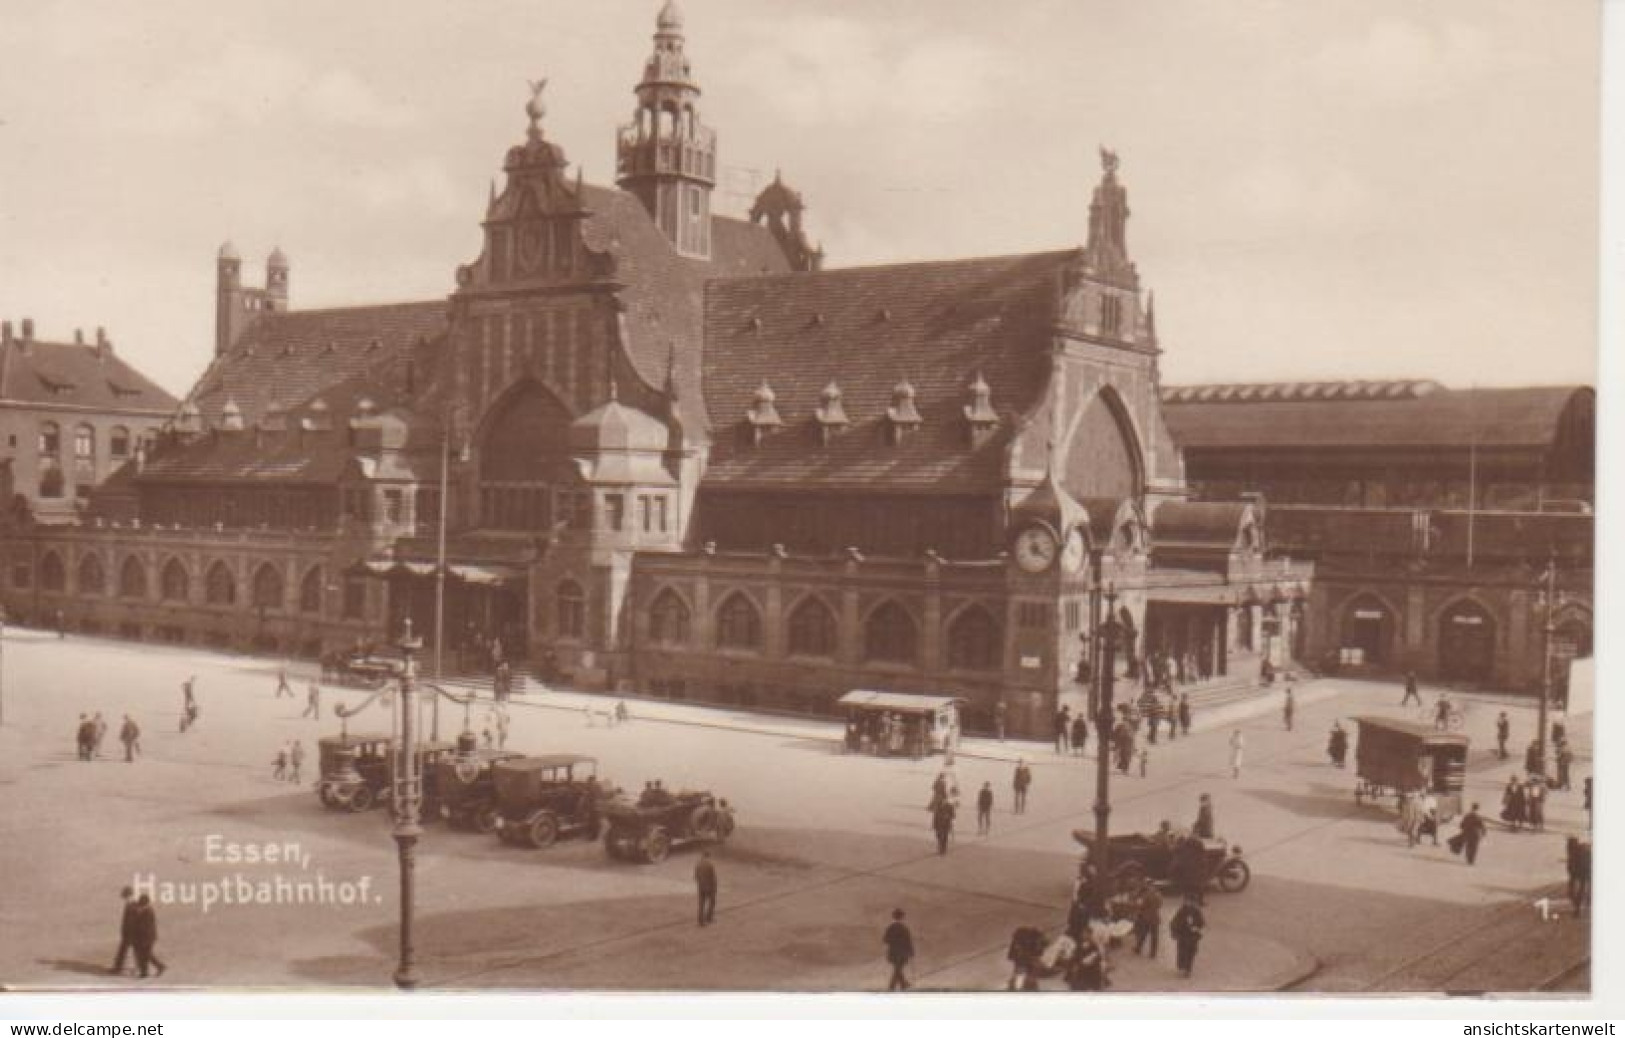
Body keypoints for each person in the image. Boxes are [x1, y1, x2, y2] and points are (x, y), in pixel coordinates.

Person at [1169, 893, 1206, 978]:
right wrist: (1174, 932)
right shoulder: (1182, 910)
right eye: (1187, 901)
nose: (1188, 903)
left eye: (1190, 901)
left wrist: (1196, 927)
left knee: (1191, 953)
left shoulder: (1197, 911)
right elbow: (1175, 921)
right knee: (1182, 952)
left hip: (1192, 937)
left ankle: (1188, 970)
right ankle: (1182, 967)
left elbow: (1202, 923)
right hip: (1183, 936)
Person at [130, 893, 165, 978]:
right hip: (147, 937)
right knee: (146, 954)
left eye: (141, 905)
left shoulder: (148, 912)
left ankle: (146, 972)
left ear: (144, 904)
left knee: (145, 955)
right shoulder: (146, 910)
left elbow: (145, 927)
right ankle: (158, 967)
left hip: (147, 938)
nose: (139, 907)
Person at [883, 909, 914, 991]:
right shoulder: (904, 928)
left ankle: (900, 984)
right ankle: (898, 985)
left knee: (897, 968)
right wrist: (911, 952)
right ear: (902, 917)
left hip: (893, 952)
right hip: (902, 952)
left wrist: (893, 943)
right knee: (898, 968)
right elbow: (908, 941)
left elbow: (885, 940)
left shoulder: (890, 927)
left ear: (893, 917)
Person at [111, 886, 139, 975]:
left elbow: (133, 922)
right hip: (128, 933)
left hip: (131, 934)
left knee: (130, 951)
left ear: (130, 896)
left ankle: (118, 968)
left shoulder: (133, 905)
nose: (125, 899)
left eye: (126, 897)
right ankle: (118, 968)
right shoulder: (131, 904)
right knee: (126, 951)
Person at [1132, 880, 1163, 959]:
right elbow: (1160, 904)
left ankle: (1138, 948)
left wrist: (1137, 904)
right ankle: (1153, 953)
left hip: (1146, 917)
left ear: (1148, 885)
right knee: (1154, 936)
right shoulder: (1158, 894)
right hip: (1155, 917)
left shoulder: (1146, 894)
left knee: (1143, 934)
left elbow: (1140, 905)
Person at [1566, 837, 1591, 914]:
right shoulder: (1572, 856)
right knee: (1573, 890)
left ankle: (1578, 907)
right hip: (1578, 871)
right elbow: (1570, 871)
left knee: (1583, 887)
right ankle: (1578, 904)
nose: (1568, 851)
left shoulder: (1583, 854)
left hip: (1585, 870)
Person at [694, 850, 719, 927]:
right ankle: (709, 918)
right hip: (709, 888)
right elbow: (713, 878)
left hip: (701, 887)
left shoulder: (698, 864)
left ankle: (700, 921)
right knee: (712, 902)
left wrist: (700, 884)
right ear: (708, 856)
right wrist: (715, 888)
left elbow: (696, 877)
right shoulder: (710, 865)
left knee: (701, 904)